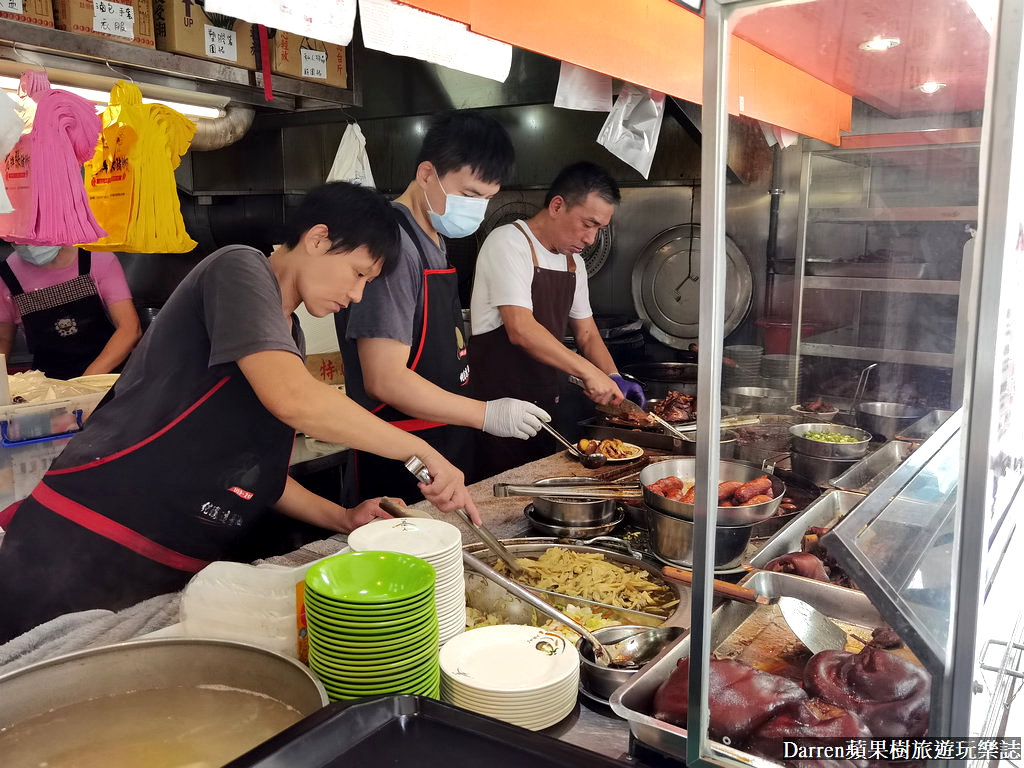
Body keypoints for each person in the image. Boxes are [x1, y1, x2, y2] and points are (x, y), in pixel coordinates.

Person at [0, 182, 480, 643]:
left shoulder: (284, 336)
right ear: (317, 239)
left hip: (160, 565)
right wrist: (419, 449)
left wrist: (342, 518)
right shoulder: (239, 268)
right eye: (358, 274)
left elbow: (254, 475)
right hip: (84, 541)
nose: (356, 296)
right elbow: (294, 398)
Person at [336, 111, 549, 500]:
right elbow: (384, 379)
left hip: (442, 444)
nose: (477, 209)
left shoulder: (434, 237)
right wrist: (486, 415)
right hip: (397, 456)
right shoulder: (394, 246)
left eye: (487, 199)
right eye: (469, 195)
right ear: (426, 174)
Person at [469, 162, 645, 473]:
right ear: (557, 205)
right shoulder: (509, 242)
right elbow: (521, 329)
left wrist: (613, 376)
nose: (591, 239)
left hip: (544, 410)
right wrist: (590, 373)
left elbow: (587, 333)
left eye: (599, 229)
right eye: (587, 224)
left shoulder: (573, 262)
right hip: (496, 411)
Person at [0, 244, 142, 379]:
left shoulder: (95, 257)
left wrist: (84, 383)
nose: (25, 241)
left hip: (110, 377)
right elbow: (3, 340)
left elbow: (129, 329)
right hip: (50, 387)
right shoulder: (7, 275)